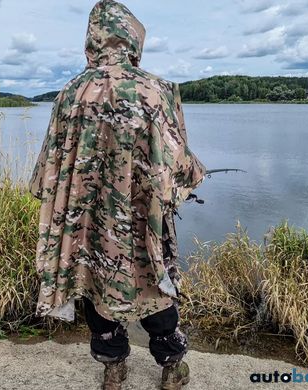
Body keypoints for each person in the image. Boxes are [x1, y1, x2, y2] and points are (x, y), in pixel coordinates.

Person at [28, 0, 206, 389]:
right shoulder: (157, 90)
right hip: (141, 218)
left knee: (94, 282)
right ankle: (172, 368)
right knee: (152, 285)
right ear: (132, 39)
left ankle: (113, 368)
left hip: (85, 223)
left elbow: (47, 171)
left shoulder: (70, 93)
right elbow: (178, 165)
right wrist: (191, 177)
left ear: (92, 38)